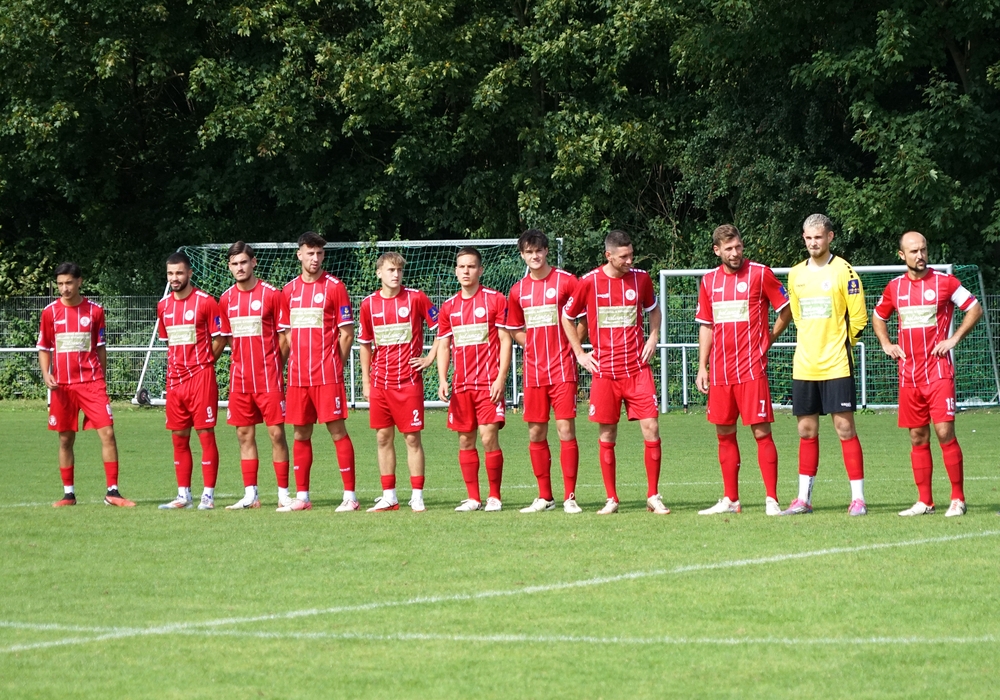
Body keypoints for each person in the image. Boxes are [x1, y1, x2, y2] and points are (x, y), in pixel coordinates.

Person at [872, 231, 982, 517]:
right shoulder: (895, 288)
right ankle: (925, 502)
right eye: (913, 251)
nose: (920, 255)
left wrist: (954, 338)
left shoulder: (945, 282)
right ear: (902, 255)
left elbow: (974, 308)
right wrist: (886, 344)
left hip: (938, 372)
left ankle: (958, 498)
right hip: (908, 375)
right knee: (917, 437)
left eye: (923, 249)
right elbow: (878, 316)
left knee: (944, 432)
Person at [561, 230, 669, 515]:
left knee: (652, 427)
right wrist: (580, 353)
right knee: (607, 434)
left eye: (631, 254)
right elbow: (567, 317)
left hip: (637, 369)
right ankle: (612, 498)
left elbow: (654, 310)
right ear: (608, 255)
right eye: (623, 256)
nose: (629, 260)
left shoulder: (641, 279)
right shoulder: (589, 282)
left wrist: (653, 336)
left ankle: (653, 495)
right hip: (605, 372)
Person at [695, 225, 791, 516]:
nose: (735, 253)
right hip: (720, 372)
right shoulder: (709, 281)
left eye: (738, 247)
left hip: (751, 369)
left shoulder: (760, 273)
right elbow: (707, 326)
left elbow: (786, 309)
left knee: (761, 432)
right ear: (717, 251)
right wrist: (702, 366)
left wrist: (769, 338)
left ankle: (772, 499)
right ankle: (731, 499)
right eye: (728, 249)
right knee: (724, 434)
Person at [781, 214, 869, 516]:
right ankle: (803, 499)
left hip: (836, 364)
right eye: (808, 238)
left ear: (830, 237)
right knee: (806, 430)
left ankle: (858, 499)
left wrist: (842, 344)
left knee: (845, 428)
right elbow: (797, 316)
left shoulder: (845, 271)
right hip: (805, 365)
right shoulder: (795, 274)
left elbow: (859, 318)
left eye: (818, 237)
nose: (813, 243)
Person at [37, 263, 135, 508]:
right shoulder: (49, 313)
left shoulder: (95, 311)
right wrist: (46, 374)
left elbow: (100, 347)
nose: (64, 288)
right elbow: (44, 347)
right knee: (65, 440)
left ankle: (112, 492)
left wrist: (102, 378)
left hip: (91, 383)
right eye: (60, 284)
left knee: (108, 433)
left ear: (79, 282)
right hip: (62, 386)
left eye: (69, 283)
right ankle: (68, 494)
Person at [507, 230, 584, 514]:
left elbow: (584, 318)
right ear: (522, 255)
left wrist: (572, 347)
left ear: (547, 251)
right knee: (536, 433)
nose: (534, 256)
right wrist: (532, 345)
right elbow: (515, 328)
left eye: (538, 250)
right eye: (529, 252)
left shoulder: (567, 281)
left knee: (565, 430)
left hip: (563, 369)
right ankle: (545, 497)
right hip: (533, 371)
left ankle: (570, 497)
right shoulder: (517, 290)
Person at [281, 231, 357, 512]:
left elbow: (347, 334)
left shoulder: (335, 287)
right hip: (298, 377)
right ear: (299, 254)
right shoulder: (288, 291)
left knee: (337, 431)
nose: (315, 258)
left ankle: (350, 496)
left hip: (326, 376)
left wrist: (335, 364)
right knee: (300, 434)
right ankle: (302, 497)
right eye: (310, 253)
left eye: (320, 253)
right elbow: (287, 335)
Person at [358, 252, 439, 512]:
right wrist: (366, 381)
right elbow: (365, 345)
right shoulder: (368, 304)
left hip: (408, 381)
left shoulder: (416, 298)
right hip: (380, 383)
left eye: (399, 270)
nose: (396, 275)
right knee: (383, 438)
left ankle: (417, 495)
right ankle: (389, 496)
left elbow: (442, 327)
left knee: (412, 438)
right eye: (391, 270)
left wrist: (430, 358)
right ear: (379, 273)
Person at [436, 247, 512, 512]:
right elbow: (444, 345)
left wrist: (501, 377)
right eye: (462, 267)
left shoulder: (495, 299)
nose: (466, 271)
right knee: (465, 441)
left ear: (480, 270)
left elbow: (505, 340)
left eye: (471, 266)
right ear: (456, 271)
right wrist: (443, 379)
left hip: (488, 384)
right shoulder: (449, 307)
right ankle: (473, 498)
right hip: (461, 386)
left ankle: (494, 497)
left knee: (488, 438)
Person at [217, 241, 292, 509]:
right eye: (235, 264)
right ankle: (251, 495)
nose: (240, 268)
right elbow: (227, 339)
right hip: (240, 380)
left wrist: (275, 365)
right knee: (244, 435)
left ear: (253, 263)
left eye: (244, 262)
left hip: (269, 379)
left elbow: (285, 337)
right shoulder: (225, 299)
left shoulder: (272, 294)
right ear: (230, 267)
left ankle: (283, 494)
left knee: (276, 434)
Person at [156, 252, 226, 510]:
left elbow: (220, 337)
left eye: (179, 273)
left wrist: (205, 363)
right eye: (170, 273)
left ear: (189, 273)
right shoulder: (163, 306)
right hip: (175, 381)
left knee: (205, 434)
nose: (174, 278)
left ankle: (208, 495)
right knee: (178, 437)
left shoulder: (206, 302)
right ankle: (183, 495)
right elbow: (169, 343)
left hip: (200, 379)